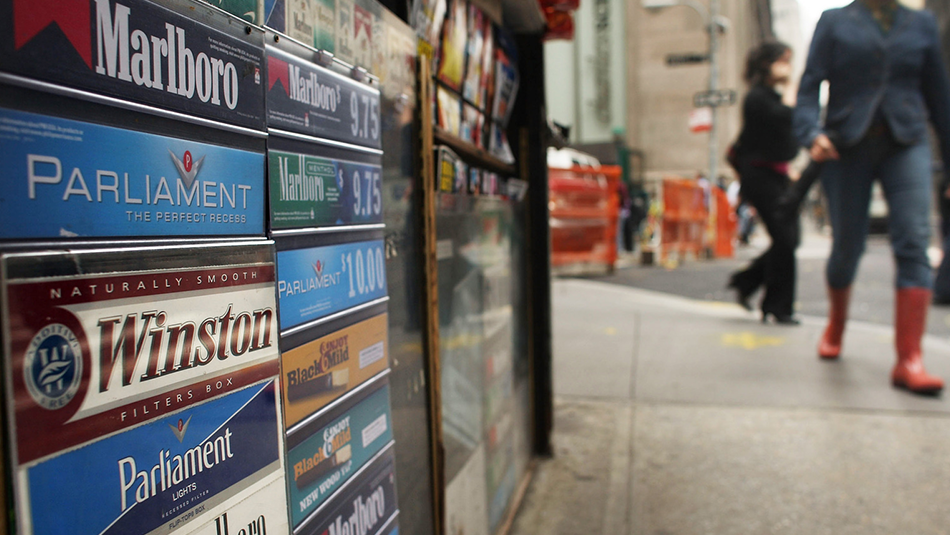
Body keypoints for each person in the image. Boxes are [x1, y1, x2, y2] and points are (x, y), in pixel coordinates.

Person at [794, 0, 950, 395]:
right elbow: (809, 86)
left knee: (914, 240)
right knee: (847, 246)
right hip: (846, 145)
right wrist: (811, 134)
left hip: (906, 141)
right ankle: (836, 324)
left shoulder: (921, 24)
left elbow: (940, 98)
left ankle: (909, 359)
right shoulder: (834, 21)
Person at [727, 42, 801, 324]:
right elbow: (786, 119)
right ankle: (778, 307)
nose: (787, 66)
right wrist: (792, 90)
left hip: (777, 176)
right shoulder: (757, 98)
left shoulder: (771, 96)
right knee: (785, 238)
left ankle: (747, 282)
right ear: (766, 64)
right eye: (783, 60)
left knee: (789, 238)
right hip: (759, 176)